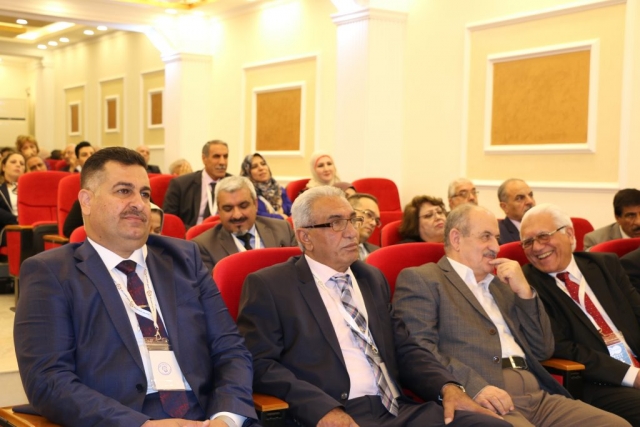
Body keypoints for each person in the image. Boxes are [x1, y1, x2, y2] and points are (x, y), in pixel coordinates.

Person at [14, 147, 257, 427]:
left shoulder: (184, 258)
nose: (139, 204)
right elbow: (48, 380)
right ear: (86, 201)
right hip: (119, 419)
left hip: (207, 415)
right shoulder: (51, 273)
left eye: (144, 194)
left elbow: (230, 349)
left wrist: (226, 418)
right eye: (123, 191)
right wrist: (141, 425)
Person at [237, 186, 510, 427]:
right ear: (305, 237)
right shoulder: (271, 286)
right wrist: (320, 409)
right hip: (334, 411)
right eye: (336, 224)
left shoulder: (370, 277)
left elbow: (404, 348)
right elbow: (261, 364)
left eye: (353, 220)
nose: (351, 232)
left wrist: (447, 386)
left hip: (396, 408)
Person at [393, 204, 628, 427]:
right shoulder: (424, 279)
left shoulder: (502, 285)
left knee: (617, 425)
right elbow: (419, 350)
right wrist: (474, 387)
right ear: (456, 239)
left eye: (497, 238)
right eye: (486, 236)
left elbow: (542, 350)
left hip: (538, 395)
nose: (496, 247)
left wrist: (525, 293)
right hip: (484, 398)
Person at [521, 203, 640, 425]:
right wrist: (632, 376)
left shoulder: (605, 265)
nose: (536, 247)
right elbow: (562, 348)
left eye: (544, 236)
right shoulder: (527, 287)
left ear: (569, 234)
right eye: (528, 242)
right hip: (596, 382)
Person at [192, 176, 296, 272]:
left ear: (255, 204)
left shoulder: (282, 229)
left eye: (243, 206)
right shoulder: (204, 246)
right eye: (228, 208)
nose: (237, 215)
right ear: (219, 210)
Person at [163, 140, 230, 229]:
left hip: (224, 234)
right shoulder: (181, 185)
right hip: (191, 234)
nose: (222, 162)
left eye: (225, 157)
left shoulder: (235, 185)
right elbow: (169, 221)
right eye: (216, 156)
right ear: (204, 158)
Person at [239, 152, 292, 219]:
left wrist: (283, 211)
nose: (261, 168)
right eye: (254, 166)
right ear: (247, 172)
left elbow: (291, 209)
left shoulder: (278, 189)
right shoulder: (246, 193)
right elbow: (255, 214)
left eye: (263, 164)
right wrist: (279, 217)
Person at [497, 179, 536, 244]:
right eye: (520, 198)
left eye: (530, 195)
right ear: (504, 207)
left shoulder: (546, 227)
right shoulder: (499, 235)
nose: (530, 201)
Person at [0, 151, 25, 244]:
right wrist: (17, 219)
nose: (18, 165)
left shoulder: (31, 189)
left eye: (22, 164)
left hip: (31, 227)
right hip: (7, 228)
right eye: (13, 162)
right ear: (3, 167)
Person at [348, 193, 381, 260]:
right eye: (369, 214)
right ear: (350, 212)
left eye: (376, 220)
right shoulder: (331, 251)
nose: (374, 223)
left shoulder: (378, 252)